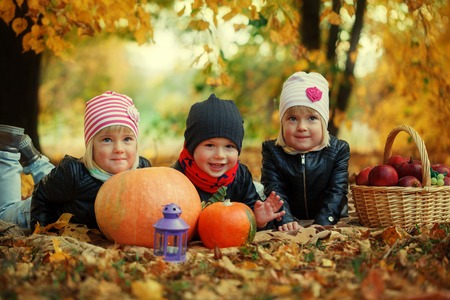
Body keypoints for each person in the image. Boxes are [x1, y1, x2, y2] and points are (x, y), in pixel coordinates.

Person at [0, 91, 151, 230]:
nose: (119, 148)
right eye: (107, 140)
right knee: (4, 214)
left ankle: (33, 158)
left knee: (53, 179)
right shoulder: (74, 173)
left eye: (127, 139)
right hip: (32, 211)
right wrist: (41, 229)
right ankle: (7, 151)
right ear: (91, 146)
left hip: (61, 190)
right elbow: (42, 194)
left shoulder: (142, 170)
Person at [172, 94, 285, 230]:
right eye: (210, 145)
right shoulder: (176, 178)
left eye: (229, 146)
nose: (220, 155)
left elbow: (251, 216)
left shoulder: (241, 177)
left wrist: (259, 221)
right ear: (191, 147)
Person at [261, 71, 350, 231]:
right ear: (282, 123)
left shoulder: (338, 150)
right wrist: (285, 218)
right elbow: (274, 189)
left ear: (323, 122)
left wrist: (324, 220)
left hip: (328, 217)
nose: (302, 127)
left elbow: (336, 191)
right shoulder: (273, 152)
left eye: (312, 118)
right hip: (291, 218)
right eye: (293, 118)